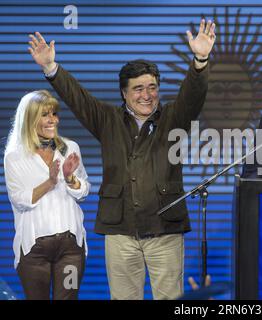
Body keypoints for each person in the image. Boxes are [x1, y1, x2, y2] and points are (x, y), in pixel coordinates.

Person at [27, 19, 216, 300]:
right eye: (138, 89)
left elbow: (193, 95)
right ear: (124, 93)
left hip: (164, 231)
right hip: (120, 232)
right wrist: (51, 69)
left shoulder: (174, 118)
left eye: (152, 87)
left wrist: (200, 59)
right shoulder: (107, 119)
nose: (147, 95)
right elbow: (78, 98)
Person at [4, 90, 90, 300]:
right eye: (45, 114)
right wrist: (50, 182)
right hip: (34, 251)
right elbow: (20, 199)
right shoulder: (14, 157)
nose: (53, 120)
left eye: (54, 114)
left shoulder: (70, 148)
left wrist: (70, 178)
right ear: (30, 118)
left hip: (71, 248)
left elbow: (84, 191)